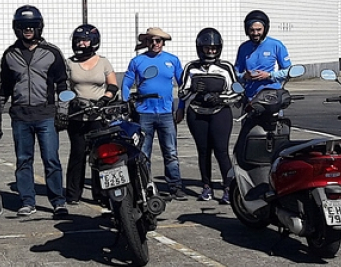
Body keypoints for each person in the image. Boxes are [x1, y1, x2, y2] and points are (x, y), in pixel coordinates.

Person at [0, 5, 69, 217]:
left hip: (46, 115)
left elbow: (63, 85)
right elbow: (5, 87)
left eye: (32, 26)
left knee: (51, 159)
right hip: (20, 116)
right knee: (23, 160)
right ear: (16, 28)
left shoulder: (52, 53)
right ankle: (27, 201)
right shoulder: (10, 55)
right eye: (23, 27)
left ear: (39, 27)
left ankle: (58, 201)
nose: (28, 30)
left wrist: (62, 112)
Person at [121, 26, 186, 200]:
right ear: (146, 42)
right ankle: (146, 186)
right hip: (144, 114)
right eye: (151, 41)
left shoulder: (172, 60)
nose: (155, 43)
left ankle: (175, 186)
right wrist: (127, 103)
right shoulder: (137, 61)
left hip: (166, 113)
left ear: (163, 42)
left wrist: (181, 107)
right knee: (143, 153)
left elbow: (184, 86)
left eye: (158, 40)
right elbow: (126, 83)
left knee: (171, 152)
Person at [179, 28, 239, 204]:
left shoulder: (226, 67)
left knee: (221, 151)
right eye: (207, 48)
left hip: (220, 114)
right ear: (200, 48)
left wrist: (219, 98)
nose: (210, 51)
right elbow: (182, 93)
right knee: (203, 151)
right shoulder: (191, 67)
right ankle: (207, 187)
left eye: (213, 48)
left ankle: (228, 188)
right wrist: (193, 91)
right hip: (197, 114)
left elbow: (237, 93)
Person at [64, 24, 118, 205]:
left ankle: (101, 194)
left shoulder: (103, 62)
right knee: (77, 154)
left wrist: (104, 99)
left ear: (93, 42)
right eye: (78, 41)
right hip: (78, 116)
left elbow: (113, 85)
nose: (81, 44)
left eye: (84, 40)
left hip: (98, 116)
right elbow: (64, 88)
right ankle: (72, 194)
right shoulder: (70, 63)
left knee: (100, 155)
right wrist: (68, 103)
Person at [234, 10, 291, 100]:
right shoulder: (243, 48)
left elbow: (288, 71)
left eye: (258, 30)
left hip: (272, 96)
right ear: (247, 29)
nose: (255, 33)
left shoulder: (276, 45)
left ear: (265, 29)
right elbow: (236, 73)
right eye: (252, 30)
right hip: (250, 97)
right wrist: (244, 76)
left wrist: (269, 75)